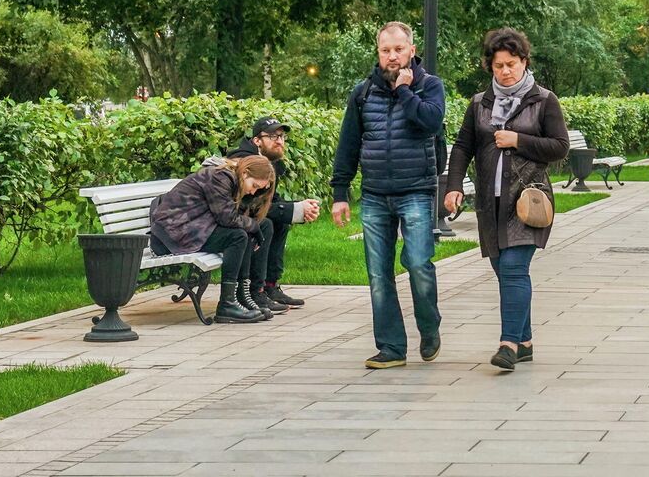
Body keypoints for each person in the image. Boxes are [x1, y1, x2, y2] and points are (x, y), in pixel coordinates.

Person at [445, 27, 569, 373]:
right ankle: (525, 340)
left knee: (514, 268)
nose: (505, 71)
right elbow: (463, 147)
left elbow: (560, 147)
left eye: (511, 64)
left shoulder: (543, 100)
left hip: (528, 200)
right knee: (504, 270)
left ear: (524, 62)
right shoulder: (479, 104)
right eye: (498, 66)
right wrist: (453, 186)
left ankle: (508, 345)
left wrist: (518, 139)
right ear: (491, 67)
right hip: (490, 202)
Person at [330, 21, 447, 369]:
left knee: (418, 264)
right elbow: (348, 143)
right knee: (378, 274)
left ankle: (429, 328)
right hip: (376, 194)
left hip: (416, 191)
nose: (392, 56)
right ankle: (392, 347)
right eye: (385, 50)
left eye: (398, 49)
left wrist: (405, 90)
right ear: (378, 53)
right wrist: (340, 192)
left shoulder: (430, 86)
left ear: (412, 50)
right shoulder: (363, 92)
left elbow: (430, 122)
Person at [149, 154, 278, 324]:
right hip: (170, 236)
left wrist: (253, 225)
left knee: (244, 232)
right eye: (254, 186)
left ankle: (241, 297)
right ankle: (227, 304)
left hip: (186, 230)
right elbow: (227, 218)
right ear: (245, 173)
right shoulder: (220, 177)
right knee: (238, 236)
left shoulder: (230, 178)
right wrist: (253, 226)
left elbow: (231, 217)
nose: (253, 191)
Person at [228, 118, 321, 311]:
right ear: (257, 141)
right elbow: (248, 206)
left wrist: (299, 209)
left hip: (240, 220)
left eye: (281, 136)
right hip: (229, 221)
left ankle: (270, 286)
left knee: (280, 222)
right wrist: (294, 210)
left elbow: (271, 201)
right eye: (272, 136)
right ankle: (256, 291)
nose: (279, 141)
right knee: (266, 223)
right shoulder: (244, 162)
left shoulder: (269, 163)